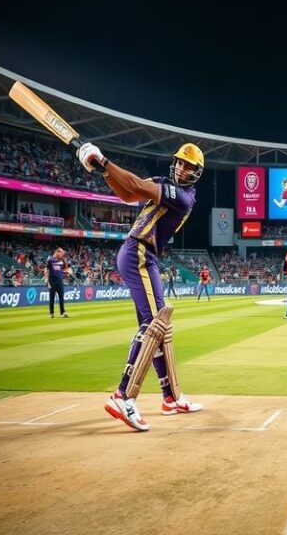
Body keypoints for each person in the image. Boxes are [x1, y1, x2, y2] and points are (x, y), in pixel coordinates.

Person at [76, 141, 204, 431]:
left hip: (144, 255)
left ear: (197, 173)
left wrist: (103, 162)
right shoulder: (164, 184)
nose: (182, 168)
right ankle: (123, 395)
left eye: (189, 166)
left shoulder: (183, 196)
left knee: (159, 326)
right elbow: (126, 193)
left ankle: (171, 396)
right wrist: (102, 169)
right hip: (138, 253)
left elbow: (133, 183)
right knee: (153, 325)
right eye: (180, 163)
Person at [44, 247, 69, 318]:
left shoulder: (63, 260)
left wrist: (67, 272)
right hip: (52, 281)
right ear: (56, 252)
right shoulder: (50, 260)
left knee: (61, 298)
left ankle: (62, 313)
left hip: (60, 281)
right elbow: (47, 269)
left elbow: (65, 269)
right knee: (52, 298)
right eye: (61, 253)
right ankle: (51, 313)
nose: (62, 255)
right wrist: (46, 279)